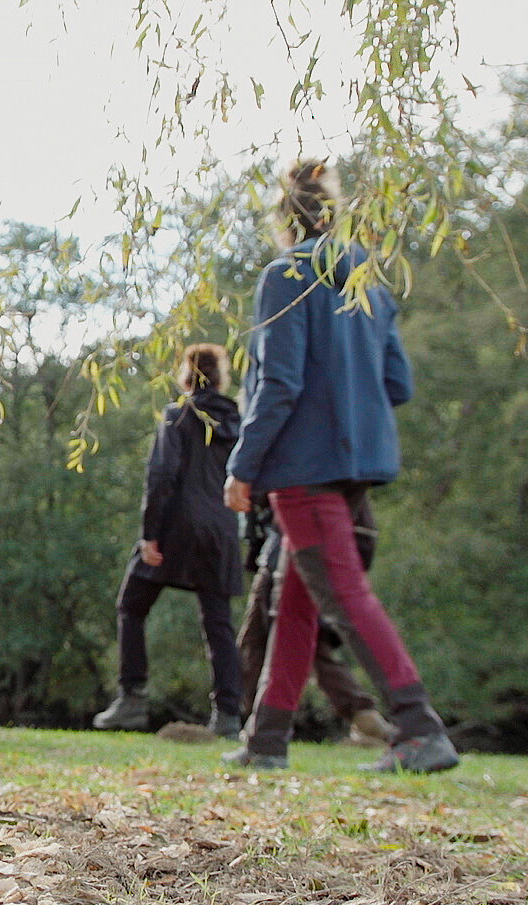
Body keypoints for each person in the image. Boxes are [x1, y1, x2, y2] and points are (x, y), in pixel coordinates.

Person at [221, 159, 459, 773]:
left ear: (284, 222)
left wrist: (242, 466)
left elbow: (279, 382)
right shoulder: (372, 285)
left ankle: (419, 728)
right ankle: (267, 738)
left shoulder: (286, 276)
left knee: (346, 594)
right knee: (297, 600)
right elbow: (397, 384)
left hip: (303, 466)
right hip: (358, 461)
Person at [93, 344, 245, 735]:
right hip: (223, 528)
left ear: (185, 376)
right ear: (221, 377)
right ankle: (228, 715)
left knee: (132, 605)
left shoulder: (178, 416)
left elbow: (161, 476)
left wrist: (149, 536)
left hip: (177, 525)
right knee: (218, 622)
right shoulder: (240, 423)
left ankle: (132, 699)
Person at [236, 499, 397, 747]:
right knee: (302, 643)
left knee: (264, 644)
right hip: (311, 543)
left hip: (289, 546)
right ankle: (365, 714)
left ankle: (257, 728)